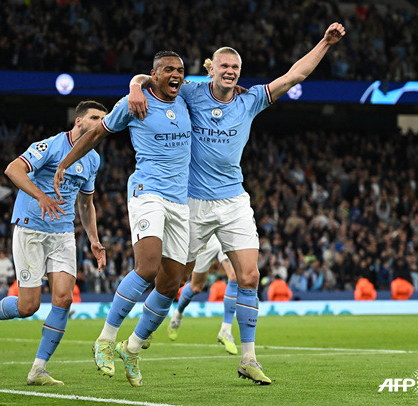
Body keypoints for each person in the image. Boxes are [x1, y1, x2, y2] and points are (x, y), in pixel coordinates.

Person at [128, 23, 345, 385]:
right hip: (193, 202)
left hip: (234, 202)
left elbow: (295, 75)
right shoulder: (192, 93)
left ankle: (248, 357)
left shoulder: (250, 99)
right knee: (173, 281)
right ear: (210, 68)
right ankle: (135, 341)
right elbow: (154, 77)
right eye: (223, 66)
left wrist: (324, 42)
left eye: (235, 68)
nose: (230, 72)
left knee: (249, 276)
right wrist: (136, 85)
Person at [54, 51, 192, 387]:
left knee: (172, 283)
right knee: (147, 267)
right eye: (168, 70)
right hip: (147, 191)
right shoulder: (134, 104)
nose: (176, 75)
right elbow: (97, 134)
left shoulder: (187, 97)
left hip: (180, 199)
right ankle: (104, 338)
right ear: (153, 74)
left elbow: (217, 85)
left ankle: (130, 347)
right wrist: (64, 163)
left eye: (180, 70)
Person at [0, 100, 108, 386]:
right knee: (28, 306)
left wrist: (94, 238)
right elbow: (13, 170)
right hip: (31, 230)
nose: (100, 123)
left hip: (64, 234)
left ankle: (38, 370)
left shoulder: (93, 158)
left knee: (64, 299)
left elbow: (86, 203)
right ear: (78, 121)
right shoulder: (51, 146)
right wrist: (40, 196)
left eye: (104, 119)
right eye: (94, 117)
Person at [167, 234, 239, 355]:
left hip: (224, 233)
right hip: (206, 237)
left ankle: (226, 330)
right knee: (196, 287)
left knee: (234, 276)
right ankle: (178, 313)